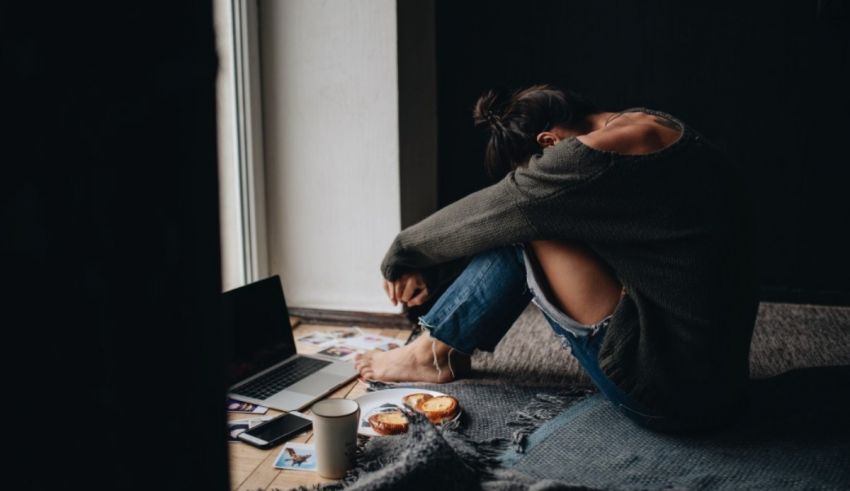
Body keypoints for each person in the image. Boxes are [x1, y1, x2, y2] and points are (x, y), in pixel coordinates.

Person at [354, 85, 758, 432]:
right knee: (529, 212)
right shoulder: (653, 124)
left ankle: (432, 355)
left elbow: (498, 209)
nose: (538, 174)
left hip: (670, 395)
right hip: (719, 383)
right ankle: (439, 347)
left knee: (523, 222)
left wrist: (402, 252)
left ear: (549, 141)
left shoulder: (586, 158)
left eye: (534, 167)